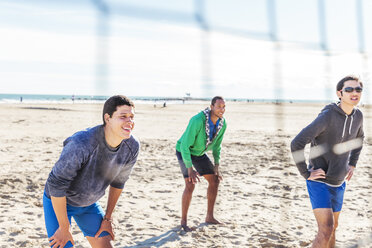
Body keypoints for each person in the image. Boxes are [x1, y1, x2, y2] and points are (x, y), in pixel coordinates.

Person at [43, 95, 139, 248]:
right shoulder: (82, 142)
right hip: (59, 201)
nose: (130, 121)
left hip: (89, 204)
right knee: (62, 244)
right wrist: (63, 227)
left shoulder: (132, 146)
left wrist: (107, 219)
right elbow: (57, 184)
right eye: (123, 116)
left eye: (131, 117)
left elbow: (119, 182)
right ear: (107, 118)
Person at [291, 76, 364, 248]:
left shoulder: (358, 116)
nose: (354, 93)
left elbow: (360, 138)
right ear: (340, 93)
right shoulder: (328, 116)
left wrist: (352, 163)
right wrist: (306, 173)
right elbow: (297, 142)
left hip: (339, 182)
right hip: (320, 182)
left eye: (358, 90)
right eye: (349, 90)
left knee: (333, 228)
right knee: (326, 229)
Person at [176, 96, 227, 232]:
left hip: (199, 153)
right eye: (218, 106)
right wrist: (190, 168)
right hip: (183, 150)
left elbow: (217, 146)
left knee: (215, 180)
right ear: (211, 107)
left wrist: (216, 165)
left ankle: (209, 217)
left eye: (223, 107)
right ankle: (184, 222)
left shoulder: (223, 123)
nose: (222, 109)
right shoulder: (197, 120)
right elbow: (185, 146)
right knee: (190, 184)